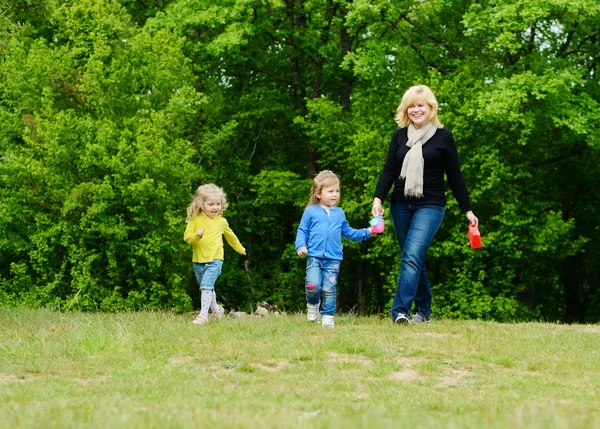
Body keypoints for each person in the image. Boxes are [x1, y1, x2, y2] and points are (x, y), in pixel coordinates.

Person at [372, 85, 478, 325]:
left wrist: (468, 210)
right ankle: (424, 311)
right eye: (411, 105)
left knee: (410, 256)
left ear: (431, 108)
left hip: (430, 205)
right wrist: (378, 198)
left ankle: (400, 311)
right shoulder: (400, 136)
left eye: (420, 105)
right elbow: (389, 169)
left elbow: (455, 176)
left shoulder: (444, 136)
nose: (415, 110)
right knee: (413, 258)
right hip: (399, 204)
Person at [295, 170, 374, 328]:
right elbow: (302, 230)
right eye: (330, 191)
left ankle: (328, 317)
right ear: (318, 194)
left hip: (333, 258)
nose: (335, 194)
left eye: (337, 191)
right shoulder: (310, 212)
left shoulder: (339, 213)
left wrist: (368, 232)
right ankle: (312, 304)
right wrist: (301, 245)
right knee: (313, 285)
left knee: (329, 288)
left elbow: (350, 232)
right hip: (314, 257)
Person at [184, 184, 246, 325]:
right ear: (201, 204)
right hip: (198, 260)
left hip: (215, 260)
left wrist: (240, 248)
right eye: (211, 204)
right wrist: (196, 236)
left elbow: (231, 237)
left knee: (206, 285)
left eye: (218, 204)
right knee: (207, 287)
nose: (215, 207)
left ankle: (203, 315)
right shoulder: (195, 220)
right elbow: (187, 237)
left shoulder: (221, 222)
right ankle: (217, 309)